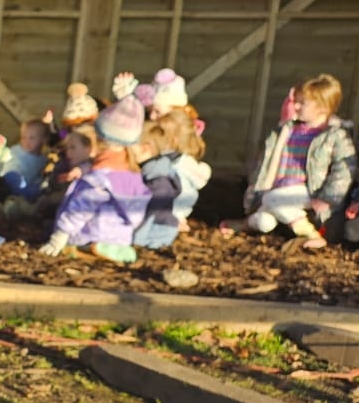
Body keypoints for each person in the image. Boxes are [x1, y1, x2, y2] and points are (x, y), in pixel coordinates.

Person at [228, 73, 356, 246]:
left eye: (302, 103)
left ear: (323, 108)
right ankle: (280, 223)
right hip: (279, 189)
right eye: (296, 101)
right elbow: (265, 164)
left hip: (310, 191)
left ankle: (312, 235)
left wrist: (328, 198)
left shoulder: (335, 135)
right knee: (263, 221)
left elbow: (344, 170)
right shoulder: (286, 131)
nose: (296, 106)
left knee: (271, 199)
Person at [39, 95, 151, 263]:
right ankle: (117, 249)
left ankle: (87, 248)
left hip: (91, 234)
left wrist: (60, 235)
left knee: (69, 246)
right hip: (121, 236)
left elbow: (81, 209)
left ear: (99, 139)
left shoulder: (99, 179)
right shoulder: (131, 173)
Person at [132, 110, 212, 250]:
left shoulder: (169, 162)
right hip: (181, 208)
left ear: (173, 140)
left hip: (169, 207)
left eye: (161, 133)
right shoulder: (187, 161)